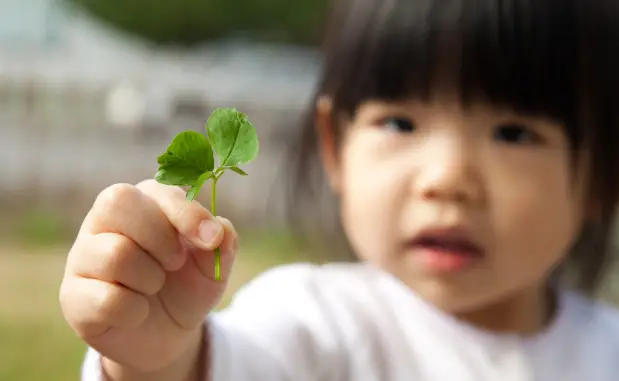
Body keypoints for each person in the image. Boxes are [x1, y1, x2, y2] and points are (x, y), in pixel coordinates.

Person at [60, 0, 619, 380]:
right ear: (335, 148)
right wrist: (157, 357)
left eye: (513, 133)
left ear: (600, 174)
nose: (447, 180)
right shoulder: (318, 325)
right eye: (400, 123)